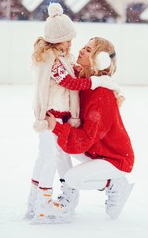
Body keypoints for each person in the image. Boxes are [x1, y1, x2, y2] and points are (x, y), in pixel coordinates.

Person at [26, 4, 119, 224]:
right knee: (50, 158)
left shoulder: (59, 57)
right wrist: (96, 81)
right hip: (53, 118)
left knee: (49, 158)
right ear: (57, 39)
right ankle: (42, 204)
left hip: (58, 117)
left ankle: (36, 202)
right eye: (68, 40)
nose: (71, 44)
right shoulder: (53, 60)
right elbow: (70, 82)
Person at [45, 37, 135, 220]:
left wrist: (56, 126)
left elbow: (85, 139)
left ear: (99, 59)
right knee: (56, 142)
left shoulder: (102, 95)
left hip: (114, 158)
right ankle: (69, 194)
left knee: (73, 178)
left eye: (87, 50)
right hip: (96, 150)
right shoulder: (85, 79)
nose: (80, 51)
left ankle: (114, 183)